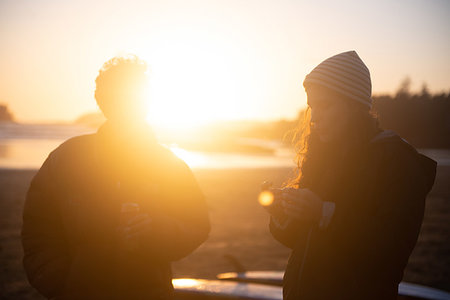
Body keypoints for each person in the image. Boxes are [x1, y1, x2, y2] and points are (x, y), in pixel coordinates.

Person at [21, 55, 210, 300]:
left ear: (147, 102)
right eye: (117, 95)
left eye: (134, 96)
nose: (126, 103)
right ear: (102, 100)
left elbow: (196, 224)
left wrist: (155, 229)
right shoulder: (66, 159)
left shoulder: (167, 164)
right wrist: (60, 283)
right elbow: (38, 228)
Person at [265, 51, 436, 299]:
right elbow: (305, 242)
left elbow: (390, 248)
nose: (314, 118)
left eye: (325, 105)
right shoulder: (325, 157)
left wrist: (323, 212)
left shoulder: (396, 161)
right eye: (312, 107)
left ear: (353, 106)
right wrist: (285, 212)